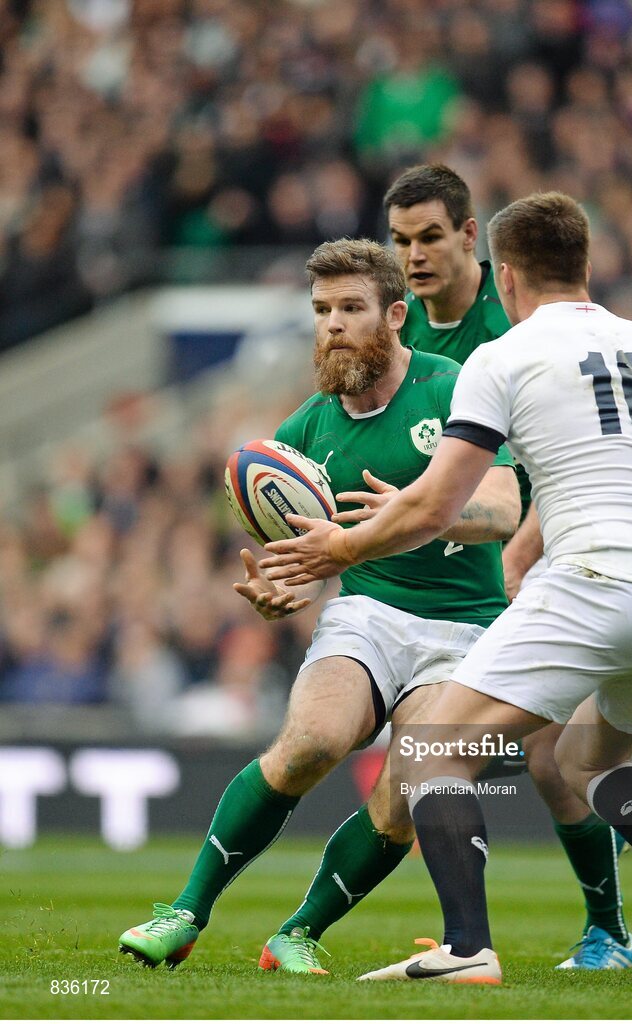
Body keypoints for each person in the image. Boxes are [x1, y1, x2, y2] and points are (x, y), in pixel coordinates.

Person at [261, 192, 632, 985]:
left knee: (433, 749)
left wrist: (336, 547)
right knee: (580, 762)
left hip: (593, 587)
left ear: (503, 276)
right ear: (584, 265)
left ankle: (466, 948)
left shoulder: (503, 357)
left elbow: (436, 505)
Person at [118, 238, 521, 973]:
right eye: (322, 310)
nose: (332, 324)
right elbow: (299, 561)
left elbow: (504, 507)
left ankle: (297, 932)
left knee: (412, 784)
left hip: (465, 626)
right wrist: (286, 587)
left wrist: (422, 509)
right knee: (311, 742)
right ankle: (183, 913)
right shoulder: (304, 431)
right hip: (368, 615)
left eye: (351, 308)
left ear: (395, 315)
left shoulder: (451, 384)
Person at [385, 163, 632, 970]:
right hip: (448, 579)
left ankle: (608, 928)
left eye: (429, 237)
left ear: (470, 238)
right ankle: (467, 934)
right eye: (400, 242)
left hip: (544, 562)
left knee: (548, 758)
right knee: (428, 758)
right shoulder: (399, 334)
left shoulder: (522, 322)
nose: (414, 256)